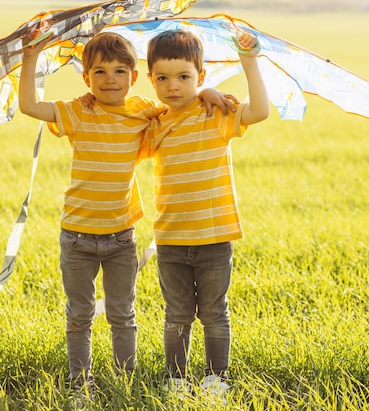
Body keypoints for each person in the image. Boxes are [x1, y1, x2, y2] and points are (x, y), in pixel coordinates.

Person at [18, 28, 234, 403]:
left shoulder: (142, 113)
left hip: (121, 236)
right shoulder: (78, 111)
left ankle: (124, 380)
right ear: (86, 78)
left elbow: (179, 103)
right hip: (77, 236)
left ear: (135, 79)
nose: (109, 80)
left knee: (123, 315)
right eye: (99, 72)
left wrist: (205, 92)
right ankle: (78, 382)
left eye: (119, 71)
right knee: (79, 314)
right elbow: (30, 107)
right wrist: (30, 57)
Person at [143, 28, 270, 398]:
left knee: (214, 311)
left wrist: (248, 61)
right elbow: (120, 115)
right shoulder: (153, 123)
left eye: (185, 77)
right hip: (170, 239)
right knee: (177, 314)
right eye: (163, 78)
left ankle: (216, 377)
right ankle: (176, 378)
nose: (173, 86)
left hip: (215, 237)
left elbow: (259, 111)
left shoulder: (216, 114)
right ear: (150, 80)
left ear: (201, 75)